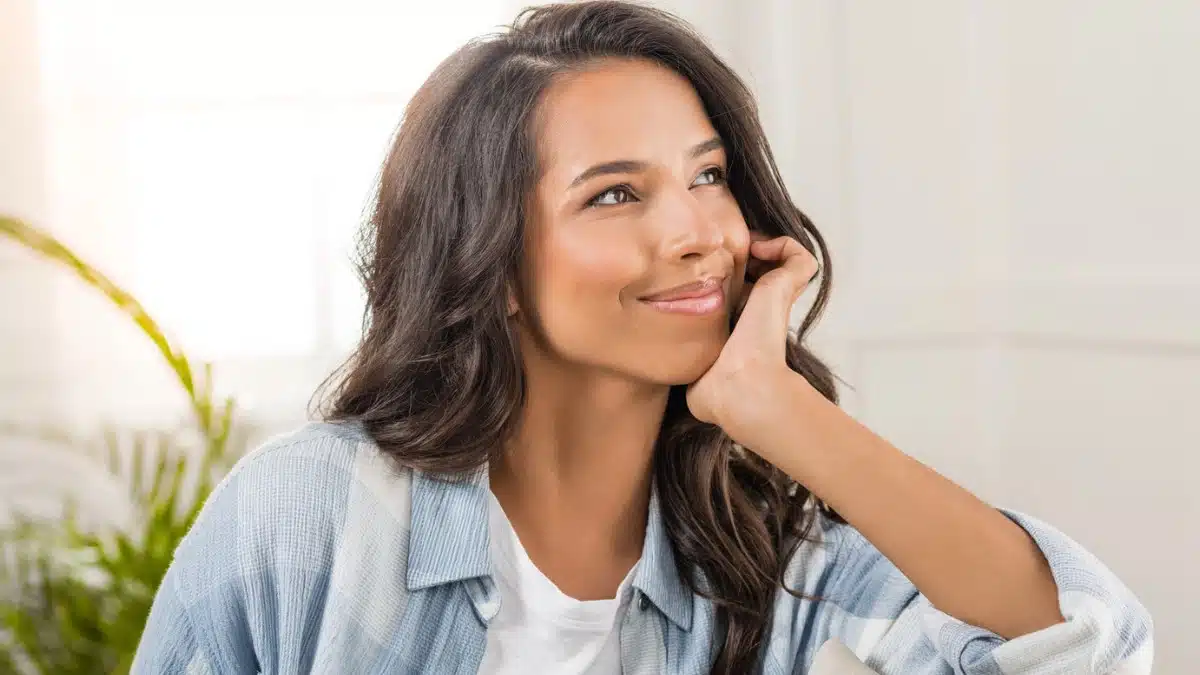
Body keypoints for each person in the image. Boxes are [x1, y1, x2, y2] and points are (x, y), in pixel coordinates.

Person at [132, 2, 1152, 673]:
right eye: (616, 194)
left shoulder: (771, 559)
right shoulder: (315, 518)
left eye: (708, 176)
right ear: (491, 259)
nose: (696, 233)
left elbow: (1092, 651)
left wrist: (780, 412)